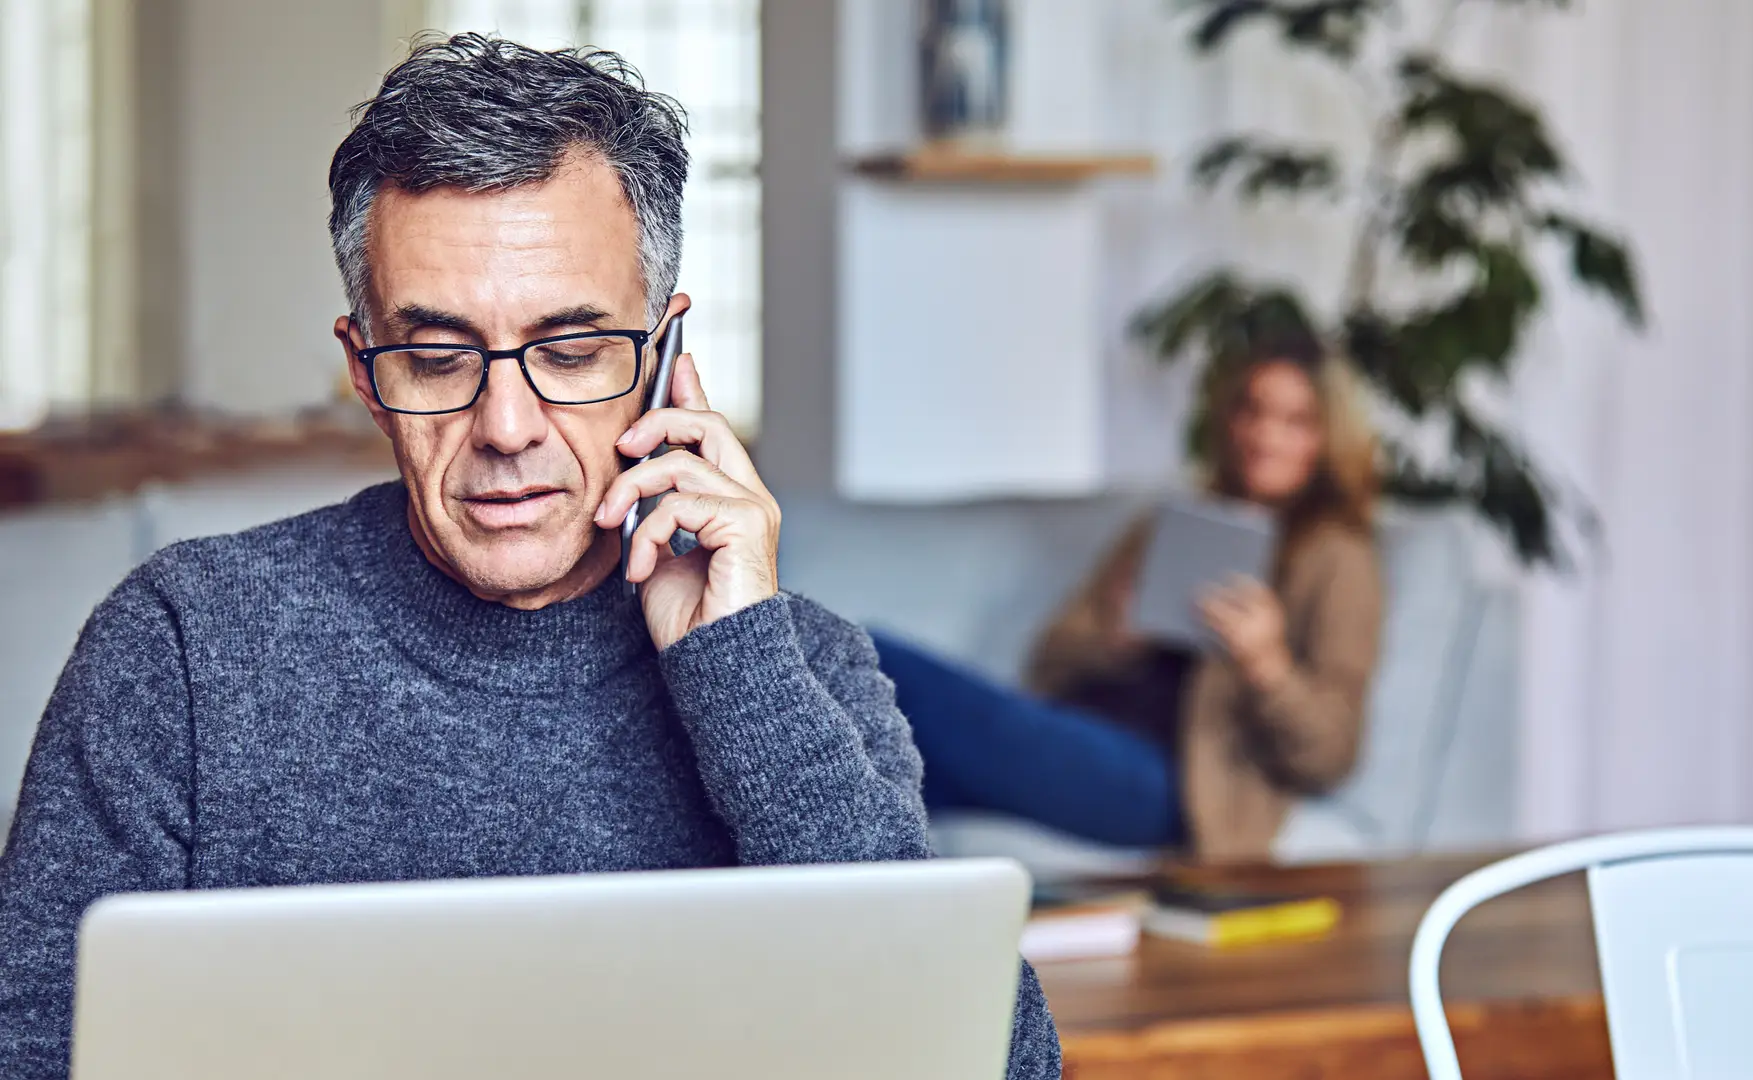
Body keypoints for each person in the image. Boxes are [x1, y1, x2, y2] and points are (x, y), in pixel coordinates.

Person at [0, 35, 1058, 1079]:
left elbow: (991, 1063)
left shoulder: (801, 670)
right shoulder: (182, 649)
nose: (508, 425)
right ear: (366, 374)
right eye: (435, 356)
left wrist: (739, 674)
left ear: (664, 356)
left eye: (571, 351)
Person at [877, 337, 1383, 863]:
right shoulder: (1171, 525)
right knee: (887, 772)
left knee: (875, 661)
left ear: (1327, 440)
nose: (1263, 435)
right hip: (1083, 730)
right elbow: (1049, 663)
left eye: (1294, 421)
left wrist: (1267, 665)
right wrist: (1115, 638)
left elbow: (1332, 754)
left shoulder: (1338, 557)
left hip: (1175, 781)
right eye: (1251, 410)